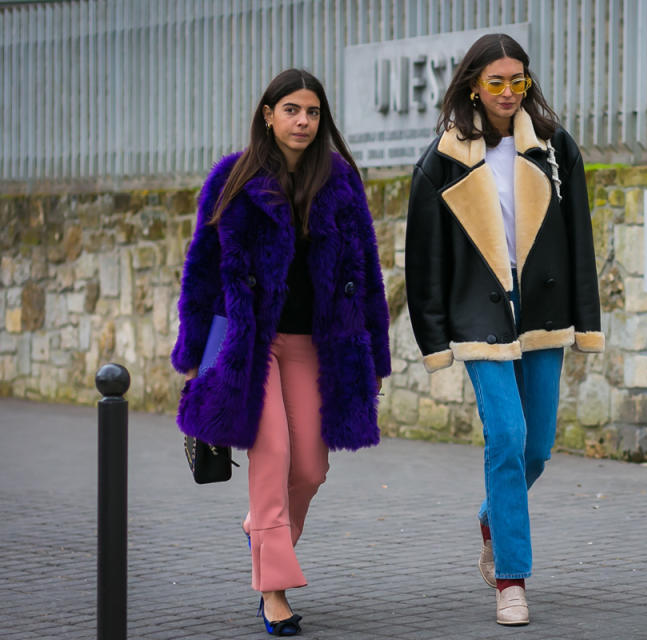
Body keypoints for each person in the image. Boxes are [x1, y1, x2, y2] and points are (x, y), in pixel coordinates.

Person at [171, 68, 391, 637]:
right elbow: (201, 273)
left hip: (317, 344)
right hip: (251, 344)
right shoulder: (233, 178)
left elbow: (367, 272)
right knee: (271, 457)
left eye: (312, 112)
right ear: (267, 114)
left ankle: (262, 531)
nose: (302, 121)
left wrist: (376, 361)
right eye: (291, 109)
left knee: (311, 469)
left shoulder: (340, 181)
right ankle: (274, 594)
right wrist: (196, 358)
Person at [404, 34, 604, 626]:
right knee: (507, 438)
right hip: (479, 315)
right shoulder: (439, 162)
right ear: (472, 84)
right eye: (496, 82)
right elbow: (426, 262)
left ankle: (494, 515)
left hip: (542, 312)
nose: (510, 92)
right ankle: (512, 580)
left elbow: (579, 244)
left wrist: (586, 324)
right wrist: (435, 340)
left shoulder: (554, 149)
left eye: (520, 81)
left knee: (536, 447)